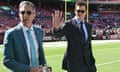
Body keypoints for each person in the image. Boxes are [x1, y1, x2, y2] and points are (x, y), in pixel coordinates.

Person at [52, 1, 96, 72]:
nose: (80, 13)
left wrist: (92, 62)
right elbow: (57, 35)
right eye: (78, 11)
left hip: (88, 64)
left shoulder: (88, 26)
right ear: (75, 11)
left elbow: (88, 45)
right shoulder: (69, 24)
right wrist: (56, 28)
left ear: (86, 12)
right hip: (74, 65)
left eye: (82, 11)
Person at [3, 1, 46, 72]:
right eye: (22, 12)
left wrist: (44, 68)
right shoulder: (11, 34)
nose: (25, 15)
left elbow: (41, 55)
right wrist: (30, 69)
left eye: (28, 12)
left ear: (34, 15)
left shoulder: (39, 31)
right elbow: (7, 61)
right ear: (19, 14)